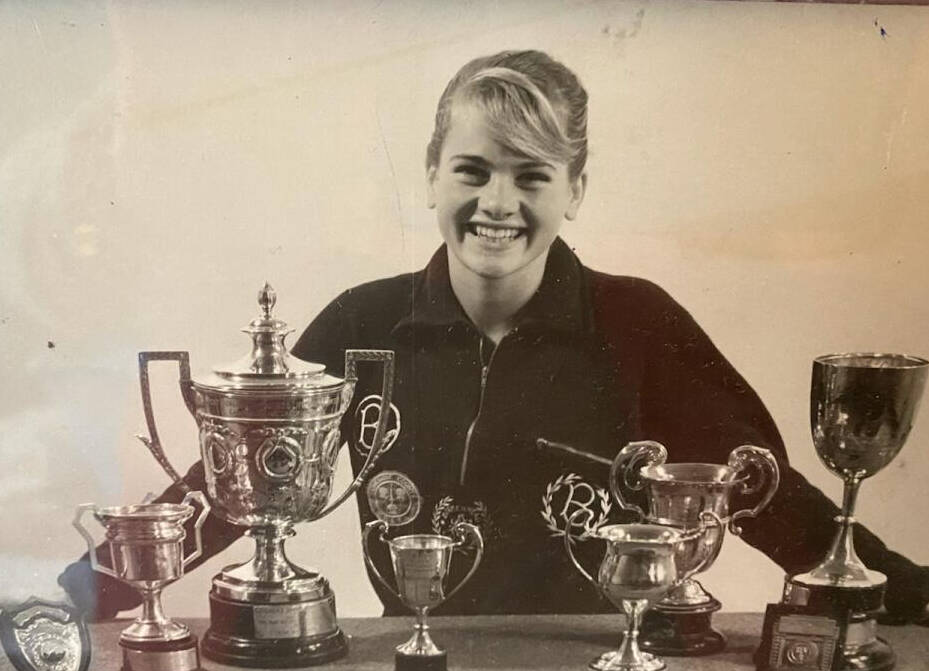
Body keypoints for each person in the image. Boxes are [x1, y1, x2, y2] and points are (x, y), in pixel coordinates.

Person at [60, 50, 929, 621]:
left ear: (575, 189)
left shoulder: (638, 321)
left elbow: (764, 496)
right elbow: (234, 487)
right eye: (472, 170)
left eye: (531, 176)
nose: (497, 204)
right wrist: (74, 595)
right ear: (431, 176)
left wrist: (911, 594)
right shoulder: (363, 322)